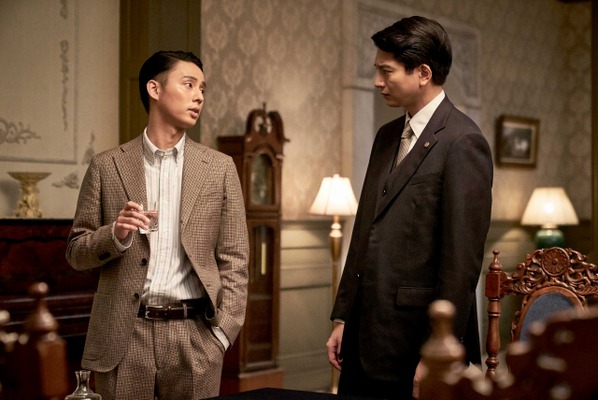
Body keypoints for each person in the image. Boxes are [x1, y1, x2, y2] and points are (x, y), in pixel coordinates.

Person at [66, 50, 249, 400]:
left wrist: (222, 335)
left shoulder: (220, 168)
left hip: (195, 338)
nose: (199, 96)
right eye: (189, 84)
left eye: (203, 89)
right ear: (154, 89)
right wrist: (115, 234)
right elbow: (76, 253)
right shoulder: (106, 166)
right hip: (123, 338)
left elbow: (235, 259)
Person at [326, 16, 493, 399]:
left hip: (418, 342)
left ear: (423, 73)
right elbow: (365, 230)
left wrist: (439, 352)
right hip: (363, 338)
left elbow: (461, 262)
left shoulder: (464, 141)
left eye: (386, 71)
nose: (377, 81)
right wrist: (343, 316)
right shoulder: (386, 136)